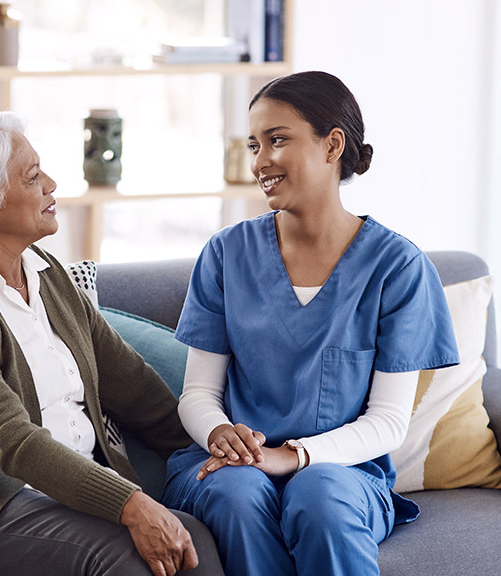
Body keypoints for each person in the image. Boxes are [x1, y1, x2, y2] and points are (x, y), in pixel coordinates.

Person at [0, 103, 223, 576]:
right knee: (127, 557)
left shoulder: (47, 274)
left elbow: (134, 388)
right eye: (32, 177)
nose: (51, 184)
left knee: (194, 539)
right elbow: (10, 440)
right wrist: (131, 505)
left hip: (44, 494)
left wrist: (214, 448)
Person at [160, 71, 460, 576]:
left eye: (277, 140)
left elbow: (388, 422)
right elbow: (198, 395)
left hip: (341, 472)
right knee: (237, 491)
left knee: (320, 495)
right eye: (254, 145)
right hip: (234, 467)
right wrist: (220, 433)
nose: (260, 162)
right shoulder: (225, 254)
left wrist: (293, 455)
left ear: (332, 145)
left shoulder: (398, 268)